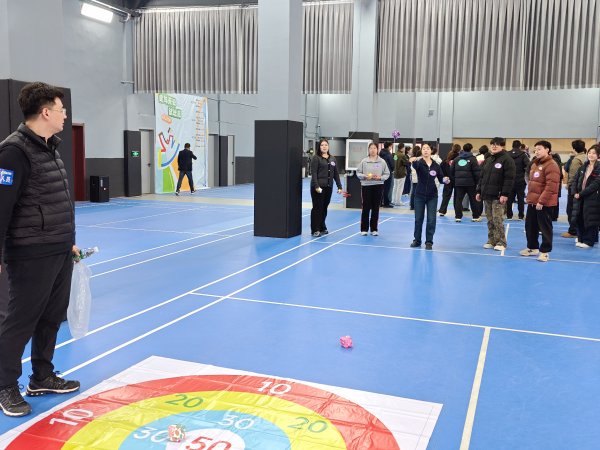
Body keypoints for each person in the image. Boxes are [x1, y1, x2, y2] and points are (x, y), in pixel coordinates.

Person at [0, 82, 81, 417]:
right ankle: (5, 385)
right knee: (21, 320)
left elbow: (53, 202)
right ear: (46, 112)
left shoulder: (50, 149)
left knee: (51, 318)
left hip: (58, 249)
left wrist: (67, 241)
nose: (65, 115)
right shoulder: (13, 152)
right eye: (61, 109)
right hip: (30, 253)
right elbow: (2, 208)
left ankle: (42, 376)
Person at [519, 141, 560, 262]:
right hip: (533, 201)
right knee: (530, 226)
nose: (536, 152)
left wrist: (541, 201)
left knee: (545, 227)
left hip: (544, 203)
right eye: (535, 149)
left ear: (547, 150)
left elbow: (551, 186)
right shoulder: (535, 163)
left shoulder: (552, 165)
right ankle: (532, 248)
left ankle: (545, 252)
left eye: (539, 149)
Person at [476, 137, 516, 251]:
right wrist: (479, 191)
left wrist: (505, 194)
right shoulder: (488, 159)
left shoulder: (507, 160)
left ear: (502, 146)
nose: (494, 146)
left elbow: (509, 179)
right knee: (490, 219)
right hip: (486, 194)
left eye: (497, 144)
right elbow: (482, 177)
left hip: (498, 196)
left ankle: (501, 242)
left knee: (497, 219)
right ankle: (491, 240)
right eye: (492, 144)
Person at [409, 143, 450, 249]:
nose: (426, 150)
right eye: (424, 149)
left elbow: (441, 178)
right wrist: (412, 160)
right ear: (421, 151)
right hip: (419, 195)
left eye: (428, 149)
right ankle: (417, 240)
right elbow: (413, 165)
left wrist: (445, 180)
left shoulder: (436, 165)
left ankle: (429, 242)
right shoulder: (418, 163)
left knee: (431, 220)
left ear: (431, 151)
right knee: (418, 219)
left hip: (432, 196)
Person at [310, 138, 343, 237]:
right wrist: (316, 186)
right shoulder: (316, 158)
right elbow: (314, 173)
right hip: (318, 188)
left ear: (328, 146)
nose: (324, 147)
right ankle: (315, 229)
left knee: (324, 208)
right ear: (319, 147)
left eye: (326, 145)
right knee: (317, 208)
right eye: (322, 145)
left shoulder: (332, 158)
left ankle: (322, 226)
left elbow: (336, 173)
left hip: (329, 187)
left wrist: (339, 186)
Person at [357, 142, 390, 235]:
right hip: (366, 186)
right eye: (371, 148)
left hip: (378, 186)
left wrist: (380, 178)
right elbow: (358, 173)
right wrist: (364, 176)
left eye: (374, 148)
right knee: (366, 207)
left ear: (377, 149)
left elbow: (387, 174)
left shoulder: (382, 161)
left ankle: (374, 229)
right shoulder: (364, 161)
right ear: (368, 150)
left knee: (376, 208)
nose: (373, 150)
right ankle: (364, 229)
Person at [570, 145, 600, 248]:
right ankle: (581, 238)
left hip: (592, 198)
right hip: (579, 197)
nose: (591, 155)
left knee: (590, 219)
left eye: (594, 153)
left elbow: (595, 184)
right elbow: (575, 180)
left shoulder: (598, 168)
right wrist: (574, 192)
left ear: (598, 155)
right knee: (579, 218)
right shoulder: (583, 167)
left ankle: (588, 241)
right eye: (589, 153)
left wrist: (581, 193)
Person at [451, 143, 482, 222]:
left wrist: (456, 179)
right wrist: (477, 182)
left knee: (458, 200)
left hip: (459, 184)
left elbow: (451, 171)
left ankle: (458, 216)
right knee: (473, 200)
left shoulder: (456, 159)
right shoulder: (473, 159)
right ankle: (475, 216)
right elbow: (476, 172)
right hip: (470, 184)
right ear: (471, 149)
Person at [562, 140, 587, 237]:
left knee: (571, 209)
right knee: (580, 209)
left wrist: (569, 185)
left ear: (574, 148)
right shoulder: (585, 157)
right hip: (584, 188)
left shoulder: (576, 160)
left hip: (575, 188)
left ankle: (573, 231)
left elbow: (573, 175)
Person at [506, 140, 530, 220]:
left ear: (512, 146)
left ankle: (509, 215)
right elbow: (528, 166)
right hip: (520, 180)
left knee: (509, 198)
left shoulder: (507, 154)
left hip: (509, 180)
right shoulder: (523, 155)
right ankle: (521, 215)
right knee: (520, 198)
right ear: (520, 146)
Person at [438, 144, 460, 217]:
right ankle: (457, 212)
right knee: (457, 197)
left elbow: (441, 167)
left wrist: (445, 175)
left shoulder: (447, 158)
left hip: (448, 180)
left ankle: (442, 211)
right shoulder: (460, 159)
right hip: (457, 180)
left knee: (446, 196)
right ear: (459, 150)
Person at [379, 142, 395, 207]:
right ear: (389, 146)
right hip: (388, 173)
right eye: (391, 146)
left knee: (381, 188)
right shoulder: (388, 154)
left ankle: (380, 202)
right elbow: (392, 165)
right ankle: (386, 203)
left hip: (380, 173)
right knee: (387, 189)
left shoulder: (380, 153)